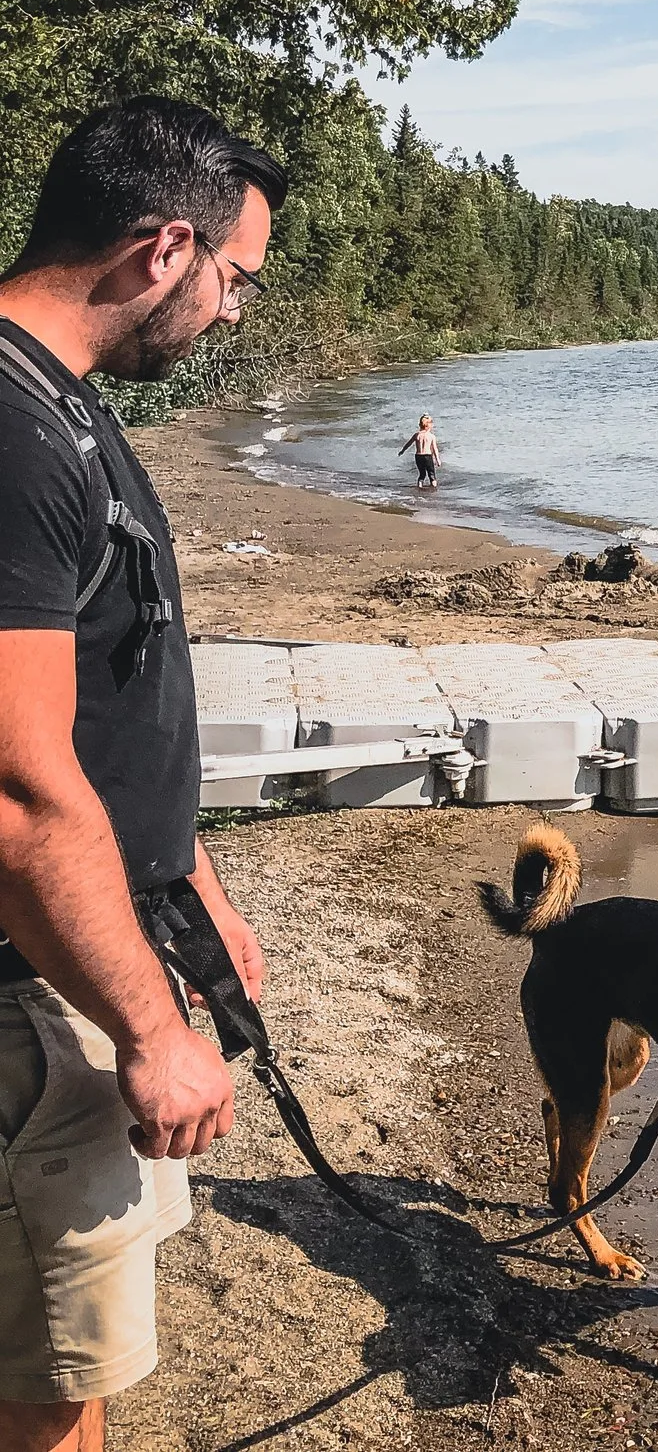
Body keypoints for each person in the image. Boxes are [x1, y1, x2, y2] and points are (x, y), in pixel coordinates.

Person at [0, 97, 276, 1449]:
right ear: (167, 246)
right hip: (31, 991)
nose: (231, 311)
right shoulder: (9, 433)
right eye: (235, 276)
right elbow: (11, 783)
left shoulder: (65, 409)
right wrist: (149, 1028)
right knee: (47, 1374)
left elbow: (118, 704)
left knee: (64, 1357)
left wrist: (196, 888)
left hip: (89, 942)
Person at [397, 413, 441, 489]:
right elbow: (435, 449)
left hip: (418, 456)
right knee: (431, 474)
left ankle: (419, 487)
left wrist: (402, 451)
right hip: (427, 456)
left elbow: (408, 444)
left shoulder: (417, 435)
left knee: (422, 474)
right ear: (429, 425)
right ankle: (434, 489)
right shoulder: (431, 436)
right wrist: (438, 460)